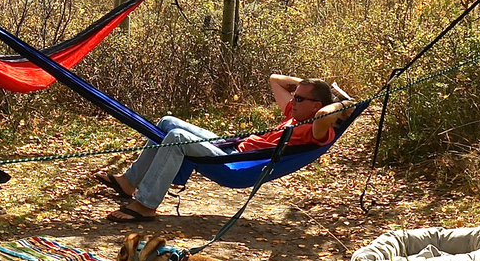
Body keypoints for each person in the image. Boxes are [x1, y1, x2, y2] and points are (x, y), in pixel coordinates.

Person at [95, 74, 353, 223]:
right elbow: (275, 79)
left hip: (236, 165)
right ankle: (129, 182)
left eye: (299, 98)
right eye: (294, 96)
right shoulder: (295, 113)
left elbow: (325, 114)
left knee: (176, 137)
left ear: (316, 105)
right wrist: (309, 88)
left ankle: (146, 204)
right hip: (233, 148)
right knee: (166, 122)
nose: (293, 101)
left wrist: (343, 104)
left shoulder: (316, 128)